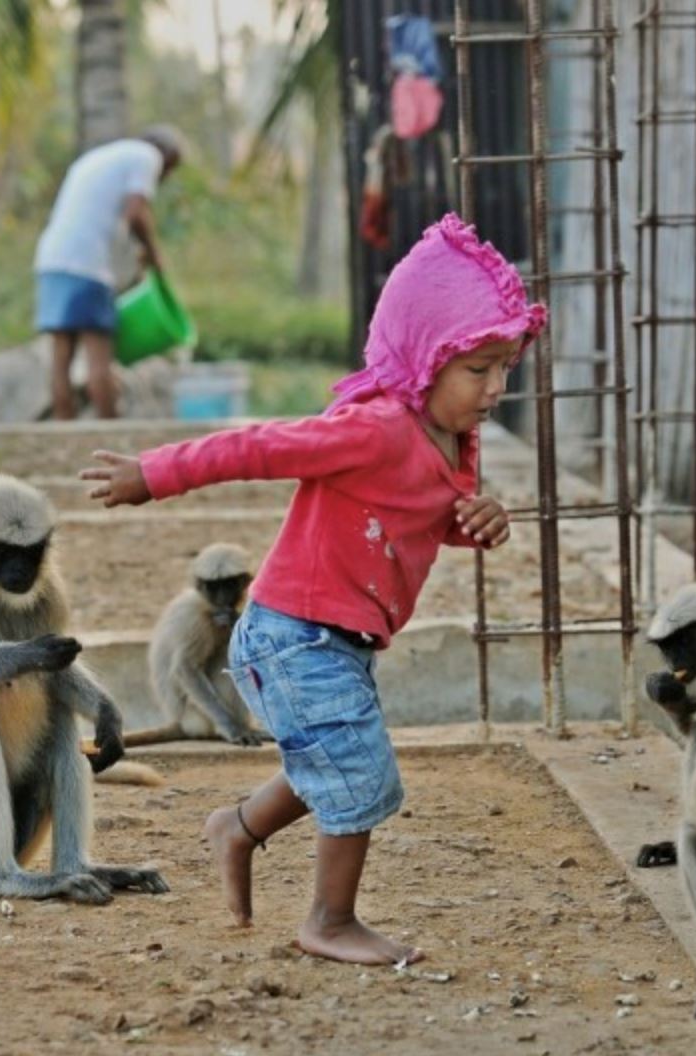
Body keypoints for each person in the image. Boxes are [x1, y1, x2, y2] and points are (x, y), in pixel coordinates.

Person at [79, 215, 547, 966]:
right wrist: (155, 473)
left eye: (505, 369)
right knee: (358, 769)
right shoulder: (375, 429)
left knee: (327, 758)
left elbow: (430, 516)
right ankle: (329, 921)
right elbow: (259, 445)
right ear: (425, 359)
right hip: (293, 635)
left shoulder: (451, 440)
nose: (496, 389)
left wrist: (479, 519)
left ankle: (237, 826)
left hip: (340, 639)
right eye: (479, 369)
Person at [34, 126, 185, 420]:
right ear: (166, 159)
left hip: (52, 259)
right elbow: (136, 214)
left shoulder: (99, 158)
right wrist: (156, 257)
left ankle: (63, 433)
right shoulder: (146, 157)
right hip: (87, 264)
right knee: (99, 359)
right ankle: (110, 438)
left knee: (61, 359)